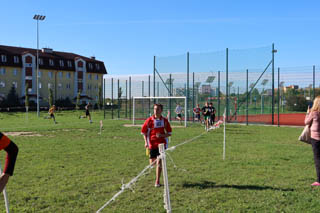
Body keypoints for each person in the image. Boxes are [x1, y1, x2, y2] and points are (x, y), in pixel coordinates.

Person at [141, 104, 172, 187]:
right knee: (152, 164)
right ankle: (154, 167)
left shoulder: (165, 121)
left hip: (161, 144)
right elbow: (143, 132)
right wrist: (145, 142)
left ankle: (157, 181)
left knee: (159, 162)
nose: (156, 110)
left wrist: (162, 136)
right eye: (155, 109)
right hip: (151, 144)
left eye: (158, 109)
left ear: (161, 110)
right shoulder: (149, 120)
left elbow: (169, 133)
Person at [305, 96, 320, 186]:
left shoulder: (314, 113)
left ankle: (319, 180)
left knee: (318, 159)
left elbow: (306, 122)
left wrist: (307, 113)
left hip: (316, 139)